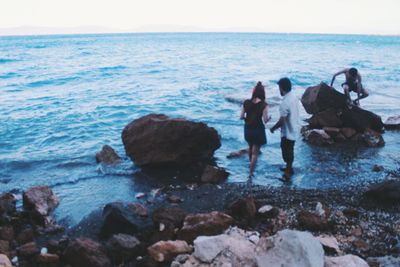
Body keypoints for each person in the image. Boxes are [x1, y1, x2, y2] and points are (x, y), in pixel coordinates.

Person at [270, 78, 300, 181]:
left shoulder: (285, 103)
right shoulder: (294, 97)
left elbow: (282, 121)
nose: (279, 90)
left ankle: (287, 174)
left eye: (279, 88)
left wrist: (273, 128)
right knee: (289, 150)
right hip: (295, 127)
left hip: (287, 131)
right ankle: (289, 168)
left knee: (286, 152)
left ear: (282, 88)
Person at [240, 81, 270, 177]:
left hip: (248, 129)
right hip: (258, 130)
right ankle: (251, 173)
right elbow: (265, 120)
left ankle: (251, 166)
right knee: (255, 153)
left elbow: (241, 117)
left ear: (254, 92)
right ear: (263, 93)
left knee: (250, 148)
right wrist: (269, 119)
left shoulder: (246, 102)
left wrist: (247, 119)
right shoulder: (264, 105)